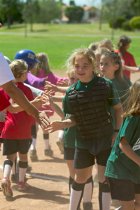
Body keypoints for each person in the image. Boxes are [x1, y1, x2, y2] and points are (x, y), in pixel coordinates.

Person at [46, 47, 123, 210]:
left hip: (104, 139)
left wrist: (117, 132)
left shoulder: (105, 85)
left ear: (93, 65)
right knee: (80, 178)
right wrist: (62, 124)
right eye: (77, 66)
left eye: (85, 65)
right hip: (83, 141)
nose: (80, 70)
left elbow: (117, 108)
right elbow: (73, 119)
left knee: (104, 179)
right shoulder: (71, 92)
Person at [1, 59, 43, 198]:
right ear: (22, 74)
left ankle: (5, 178)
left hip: (8, 129)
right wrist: (35, 104)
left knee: (9, 157)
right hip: (24, 130)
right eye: (26, 72)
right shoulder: (25, 89)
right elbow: (28, 108)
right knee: (23, 157)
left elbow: (10, 109)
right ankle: (20, 182)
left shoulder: (4, 89)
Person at [105, 79, 140, 210]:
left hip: (134, 169)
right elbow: (123, 145)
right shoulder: (133, 117)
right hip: (120, 169)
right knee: (129, 206)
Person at [0, 53, 49, 128]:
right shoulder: (18, 89)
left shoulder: (4, 90)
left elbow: (12, 108)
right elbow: (11, 92)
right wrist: (35, 111)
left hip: (8, 129)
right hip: (18, 130)